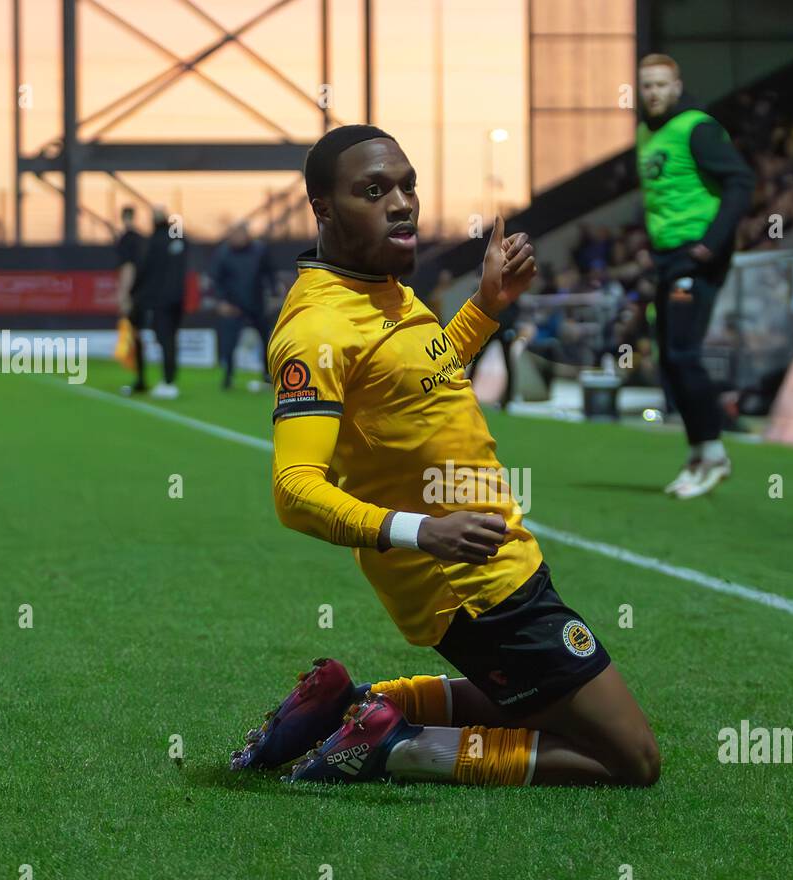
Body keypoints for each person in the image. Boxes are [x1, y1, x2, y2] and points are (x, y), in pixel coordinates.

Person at [228, 124, 660, 788]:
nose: (401, 202)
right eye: (373, 191)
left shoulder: (383, 287)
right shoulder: (316, 329)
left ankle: (357, 705)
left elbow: (422, 381)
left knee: (525, 699)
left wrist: (485, 307)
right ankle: (396, 747)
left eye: (407, 186)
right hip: (471, 582)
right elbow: (294, 489)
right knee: (628, 757)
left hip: (493, 554)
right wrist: (423, 532)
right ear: (323, 210)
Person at [636, 53, 754, 499]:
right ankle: (698, 454)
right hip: (668, 257)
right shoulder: (645, 133)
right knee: (669, 359)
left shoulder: (698, 127)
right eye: (647, 85)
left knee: (684, 355)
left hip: (697, 256)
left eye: (662, 85)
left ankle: (715, 452)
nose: (654, 93)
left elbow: (742, 181)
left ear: (677, 85)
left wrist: (712, 242)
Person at [209, 220, 279, 389]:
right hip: (233, 305)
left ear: (247, 234)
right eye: (234, 234)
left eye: (240, 234)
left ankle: (267, 374)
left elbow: (270, 274)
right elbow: (216, 280)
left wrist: (274, 295)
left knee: (266, 340)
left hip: (257, 302)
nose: (237, 238)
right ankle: (228, 375)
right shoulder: (223, 253)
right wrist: (222, 302)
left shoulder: (260, 250)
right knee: (229, 341)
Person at [131, 205, 189, 399]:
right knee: (171, 339)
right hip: (177, 298)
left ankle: (168, 381)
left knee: (164, 339)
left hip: (160, 299)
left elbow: (144, 270)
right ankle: (170, 379)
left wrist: (133, 293)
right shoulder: (177, 239)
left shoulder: (154, 242)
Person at [114, 205, 147, 396]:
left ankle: (139, 378)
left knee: (134, 334)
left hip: (135, 294)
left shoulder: (126, 240)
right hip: (145, 292)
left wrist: (124, 294)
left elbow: (128, 268)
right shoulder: (142, 239)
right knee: (137, 334)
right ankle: (140, 377)